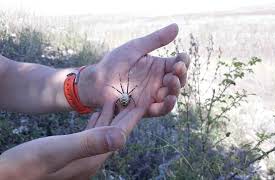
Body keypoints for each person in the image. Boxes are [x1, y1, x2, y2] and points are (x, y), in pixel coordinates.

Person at [0, 23, 190, 180]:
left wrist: (89, 82)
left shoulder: (125, 92)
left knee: (124, 94)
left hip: (122, 97)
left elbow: (5, 74)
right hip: (123, 97)